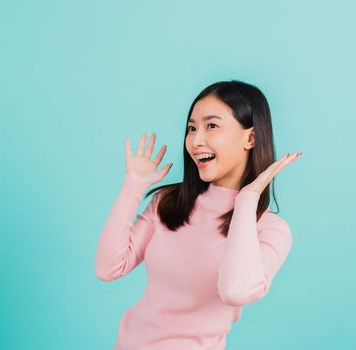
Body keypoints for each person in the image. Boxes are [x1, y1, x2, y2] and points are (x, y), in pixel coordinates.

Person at [95, 80, 302, 350]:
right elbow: (108, 267)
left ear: (250, 138)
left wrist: (247, 201)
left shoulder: (269, 229)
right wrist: (132, 186)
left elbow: (235, 291)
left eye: (211, 126)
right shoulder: (169, 203)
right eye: (192, 128)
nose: (196, 140)